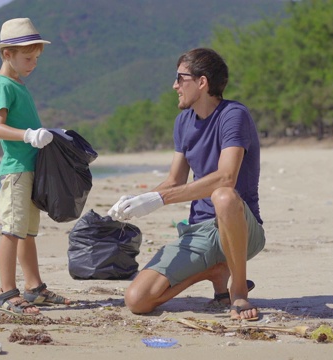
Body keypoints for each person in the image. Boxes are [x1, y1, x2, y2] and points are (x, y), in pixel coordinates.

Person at [108, 48, 266, 321]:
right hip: (199, 231)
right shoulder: (183, 122)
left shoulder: (233, 115)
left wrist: (161, 200)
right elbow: (174, 181)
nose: (175, 86)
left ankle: (238, 289)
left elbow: (226, 177)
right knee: (137, 300)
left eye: (180, 78)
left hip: (241, 226)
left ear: (202, 82)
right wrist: (138, 201)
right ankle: (212, 270)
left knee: (224, 196)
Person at [0, 18, 70, 316]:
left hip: (31, 168)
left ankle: (34, 287)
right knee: (12, 231)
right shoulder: (2, 85)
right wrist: (28, 135)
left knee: (27, 232)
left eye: (36, 58)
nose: (33, 63)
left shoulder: (18, 84)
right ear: (7, 54)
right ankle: (7, 293)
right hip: (16, 169)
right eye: (27, 58)